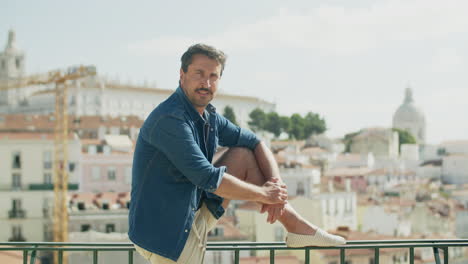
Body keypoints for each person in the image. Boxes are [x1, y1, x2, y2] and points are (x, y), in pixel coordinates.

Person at [128, 43, 345, 264]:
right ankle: (299, 228)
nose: (206, 83)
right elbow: (207, 177)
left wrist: (275, 185)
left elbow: (255, 141)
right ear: (182, 75)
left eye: (214, 76)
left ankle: (296, 226)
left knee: (243, 154)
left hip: (192, 212)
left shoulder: (209, 117)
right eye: (199, 74)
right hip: (165, 233)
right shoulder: (170, 119)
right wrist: (265, 195)